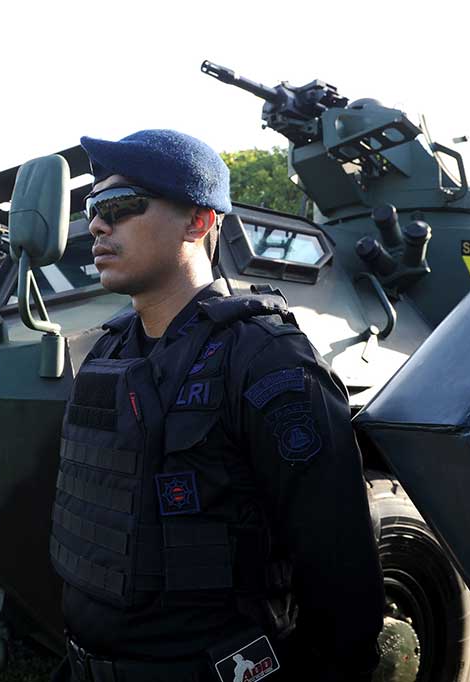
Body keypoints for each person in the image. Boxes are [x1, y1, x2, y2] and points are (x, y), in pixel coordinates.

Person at [50, 130, 383, 681]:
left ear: (199, 222)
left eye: (119, 205)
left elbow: (341, 575)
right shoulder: (110, 349)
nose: (97, 225)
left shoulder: (265, 361)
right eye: (93, 207)